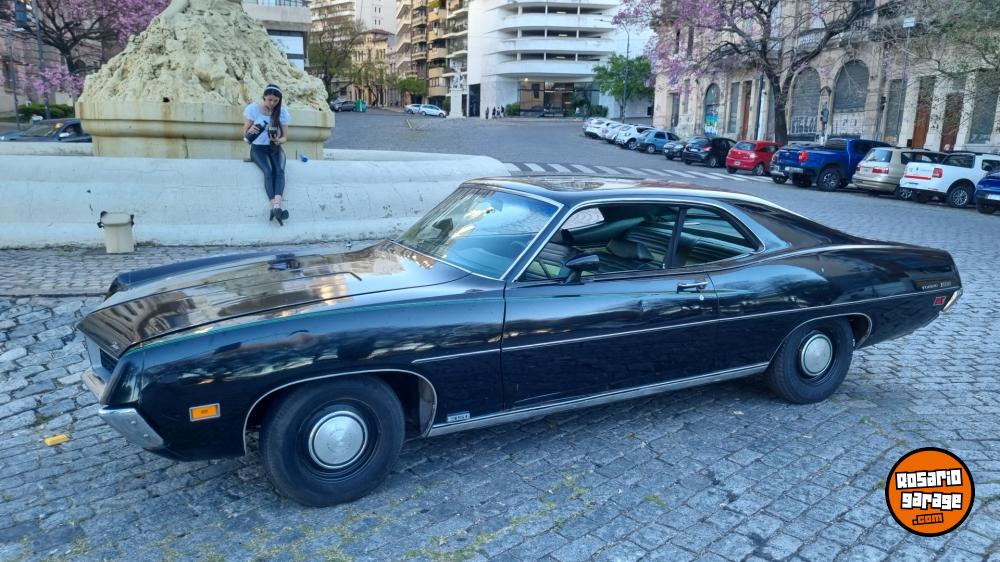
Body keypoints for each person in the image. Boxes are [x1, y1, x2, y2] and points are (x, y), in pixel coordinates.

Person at [244, 84, 291, 225]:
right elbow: (245, 134)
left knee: (280, 171)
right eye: (270, 99)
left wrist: (278, 140)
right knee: (268, 171)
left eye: (276, 101)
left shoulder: (282, 112)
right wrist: (250, 130)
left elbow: (285, 137)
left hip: (275, 147)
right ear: (264, 97)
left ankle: (276, 207)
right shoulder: (253, 109)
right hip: (258, 148)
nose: (272, 103)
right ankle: (275, 207)